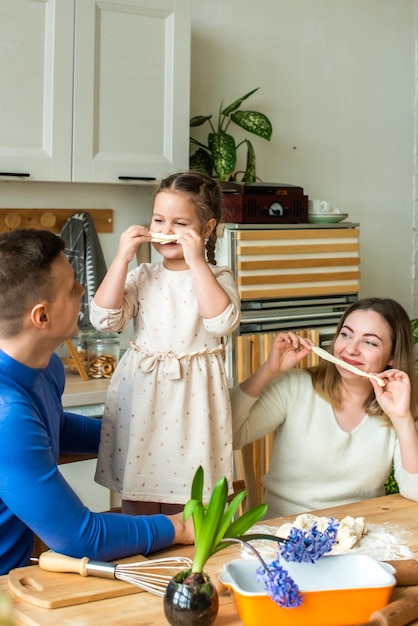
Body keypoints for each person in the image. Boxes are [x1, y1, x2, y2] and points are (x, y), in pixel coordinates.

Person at [0, 229, 193, 576]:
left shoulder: (44, 366)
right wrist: (179, 527)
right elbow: (79, 537)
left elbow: (54, 426)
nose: (83, 290)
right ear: (41, 317)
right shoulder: (7, 415)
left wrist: (143, 436)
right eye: (73, 287)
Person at [90, 171, 241, 515]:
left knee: (188, 501)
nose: (166, 229)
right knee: (138, 494)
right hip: (142, 397)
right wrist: (122, 258)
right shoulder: (143, 274)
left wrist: (197, 260)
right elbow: (104, 319)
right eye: (159, 219)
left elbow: (220, 321)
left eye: (180, 222)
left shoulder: (218, 276)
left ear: (207, 228)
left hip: (194, 403)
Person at [231, 297, 418, 518]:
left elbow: (414, 490)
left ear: (393, 357)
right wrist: (269, 371)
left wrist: (402, 418)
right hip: (283, 534)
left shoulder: (397, 409)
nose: (351, 349)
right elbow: (229, 436)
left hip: (358, 536)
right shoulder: (295, 387)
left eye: (370, 342)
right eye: (346, 334)